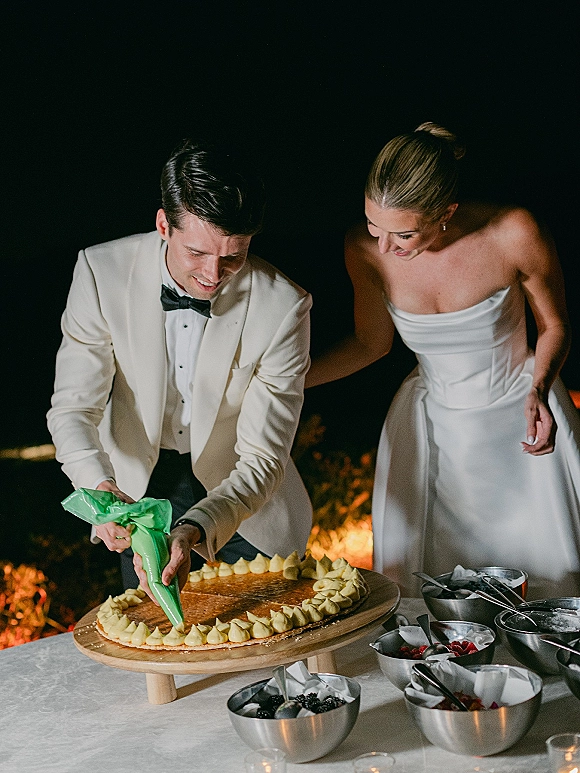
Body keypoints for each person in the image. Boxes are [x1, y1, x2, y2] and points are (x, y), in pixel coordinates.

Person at [306, 122, 580, 598]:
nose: (386, 247)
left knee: (545, 582)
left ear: (446, 213)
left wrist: (539, 387)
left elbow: (555, 327)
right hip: (432, 430)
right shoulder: (366, 250)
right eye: (375, 227)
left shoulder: (514, 232)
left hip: (521, 417)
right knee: (435, 591)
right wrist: (284, 379)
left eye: (404, 234)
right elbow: (371, 344)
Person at [48, 138, 313, 598]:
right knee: (160, 639)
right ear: (163, 225)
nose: (213, 274)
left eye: (233, 256)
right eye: (197, 253)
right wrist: (101, 489)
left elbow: (264, 457)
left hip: (248, 501)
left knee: (267, 638)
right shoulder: (99, 272)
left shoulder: (285, 308)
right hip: (138, 490)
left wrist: (199, 525)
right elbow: (73, 409)